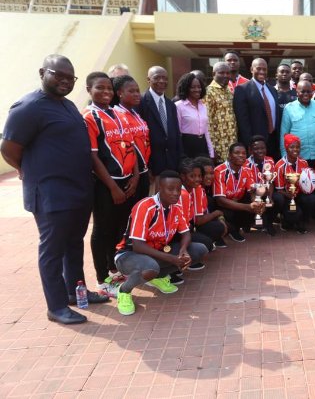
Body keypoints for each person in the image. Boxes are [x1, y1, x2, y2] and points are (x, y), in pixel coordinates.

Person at [1, 55, 107, 324]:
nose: (64, 81)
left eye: (69, 78)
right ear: (42, 73)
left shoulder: (68, 105)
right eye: (57, 75)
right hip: (51, 195)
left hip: (78, 191)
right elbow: (9, 149)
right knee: (52, 251)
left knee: (74, 245)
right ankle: (56, 306)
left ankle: (76, 292)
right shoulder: (28, 107)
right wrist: (29, 171)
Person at [113, 170, 207, 315]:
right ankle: (124, 290)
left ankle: (157, 277)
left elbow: (186, 233)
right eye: (170, 189)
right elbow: (137, 245)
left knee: (199, 250)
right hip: (129, 255)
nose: (176, 193)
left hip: (156, 252)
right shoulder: (145, 206)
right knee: (151, 267)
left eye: (178, 189)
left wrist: (183, 250)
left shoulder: (175, 207)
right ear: (159, 188)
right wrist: (172, 259)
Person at [83, 72, 139, 298]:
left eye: (108, 88)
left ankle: (114, 269)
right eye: (100, 88)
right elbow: (93, 157)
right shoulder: (89, 117)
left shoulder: (117, 114)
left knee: (119, 228)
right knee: (102, 230)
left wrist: (135, 177)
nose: (105, 92)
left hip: (127, 181)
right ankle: (101, 278)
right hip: (106, 184)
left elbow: (131, 147)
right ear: (89, 89)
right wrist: (113, 187)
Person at [213, 143, 264, 243]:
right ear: (229, 156)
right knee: (230, 212)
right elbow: (220, 200)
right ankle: (229, 230)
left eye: (243, 153)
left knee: (256, 204)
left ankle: (236, 228)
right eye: (237, 153)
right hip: (223, 204)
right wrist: (248, 207)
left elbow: (252, 191)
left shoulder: (247, 170)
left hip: (237, 201)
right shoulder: (219, 171)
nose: (241, 155)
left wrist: (256, 204)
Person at [112, 75, 151, 202]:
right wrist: (136, 174)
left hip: (143, 171)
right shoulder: (116, 115)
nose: (136, 94)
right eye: (131, 91)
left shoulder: (135, 113)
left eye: (137, 91)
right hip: (132, 175)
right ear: (119, 93)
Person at [178, 159, 226, 264]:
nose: (197, 179)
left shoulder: (197, 188)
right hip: (176, 233)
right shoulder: (181, 194)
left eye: (199, 176)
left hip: (187, 228)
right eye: (192, 176)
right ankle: (182, 262)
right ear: (183, 176)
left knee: (210, 238)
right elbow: (193, 222)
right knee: (205, 245)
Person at [138, 66, 183, 177]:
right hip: (152, 164)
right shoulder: (141, 102)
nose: (162, 81)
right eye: (157, 78)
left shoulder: (170, 104)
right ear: (148, 80)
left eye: (165, 78)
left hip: (171, 162)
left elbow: (176, 133)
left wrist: (180, 159)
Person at [233, 58, 281, 158]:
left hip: (273, 141)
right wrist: (250, 144)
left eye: (264, 69)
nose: (262, 72)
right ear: (251, 69)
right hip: (255, 144)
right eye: (258, 69)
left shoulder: (273, 90)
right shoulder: (242, 90)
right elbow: (242, 121)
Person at [273, 134, 315, 234]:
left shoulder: (304, 162)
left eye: (298, 147)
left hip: (300, 194)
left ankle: (303, 221)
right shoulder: (279, 165)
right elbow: (279, 190)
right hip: (287, 196)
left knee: (313, 199)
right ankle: (286, 219)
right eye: (292, 147)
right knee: (292, 214)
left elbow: (307, 182)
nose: (295, 150)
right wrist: (289, 195)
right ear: (286, 148)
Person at [280, 80, 315, 167]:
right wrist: (285, 157)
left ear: (313, 92)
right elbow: (284, 135)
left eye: (308, 91)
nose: (306, 94)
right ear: (297, 92)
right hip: (297, 157)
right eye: (302, 91)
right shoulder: (289, 108)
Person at [175, 73, 215, 159]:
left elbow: (207, 131)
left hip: (202, 145)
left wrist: (211, 153)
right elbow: (177, 133)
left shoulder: (203, 106)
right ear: (186, 88)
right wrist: (181, 154)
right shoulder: (178, 106)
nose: (197, 89)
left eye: (199, 87)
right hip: (187, 146)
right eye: (193, 87)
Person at [205, 61, 237, 164]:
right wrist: (211, 148)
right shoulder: (208, 92)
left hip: (231, 144)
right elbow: (207, 121)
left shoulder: (229, 91)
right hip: (218, 146)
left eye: (228, 73)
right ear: (214, 74)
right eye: (221, 73)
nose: (226, 76)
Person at [245, 135, 277, 236]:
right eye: (256, 148)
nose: (260, 151)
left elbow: (270, 181)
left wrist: (269, 197)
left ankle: (269, 223)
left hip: (266, 192)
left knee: (278, 199)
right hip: (252, 193)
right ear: (250, 150)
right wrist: (255, 200)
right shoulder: (245, 164)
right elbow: (249, 186)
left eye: (262, 148)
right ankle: (251, 222)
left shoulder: (270, 161)